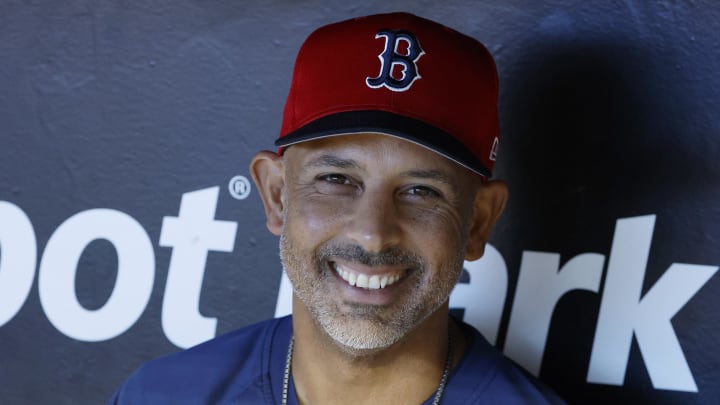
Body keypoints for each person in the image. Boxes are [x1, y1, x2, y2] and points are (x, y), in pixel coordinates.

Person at [110, 12, 565, 404]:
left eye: (421, 192)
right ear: (276, 195)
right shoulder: (161, 395)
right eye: (336, 180)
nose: (372, 233)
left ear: (478, 221)